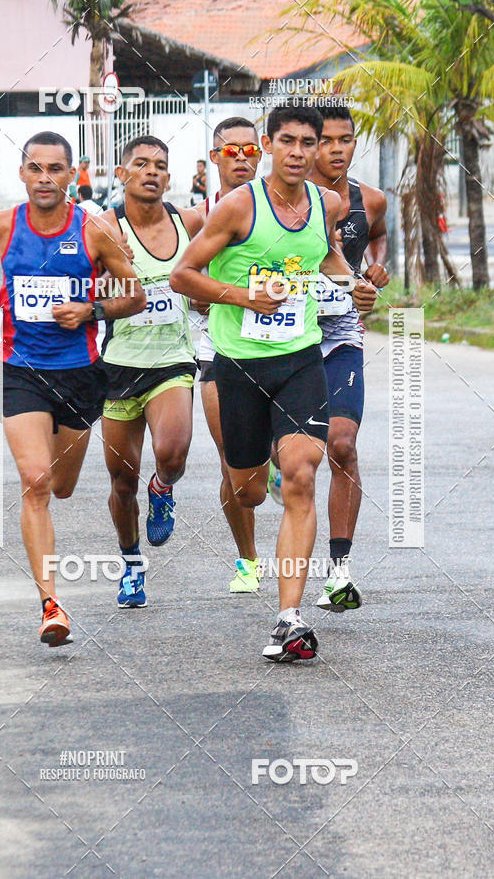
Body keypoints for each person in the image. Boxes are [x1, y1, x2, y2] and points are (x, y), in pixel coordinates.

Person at [171, 105, 377, 662]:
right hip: (238, 365)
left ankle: (290, 618)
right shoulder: (239, 207)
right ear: (268, 145)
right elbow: (182, 274)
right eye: (286, 140)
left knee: (302, 476)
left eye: (307, 143)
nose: (297, 151)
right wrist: (244, 297)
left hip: (299, 358)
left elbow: (327, 255)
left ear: (314, 152)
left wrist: (355, 286)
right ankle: (255, 476)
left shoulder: (326, 203)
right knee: (249, 490)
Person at [0, 131, 145, 647]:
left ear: (73, 175)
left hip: (80, 374)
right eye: (34, 168)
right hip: (21, 368)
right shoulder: (2, 226)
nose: (44, 179)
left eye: (55, 169)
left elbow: (133, 292)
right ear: (21, 173)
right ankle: (51, 603)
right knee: (35, 480)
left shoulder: (93, 231)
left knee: (62, 485)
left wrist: (92, 309)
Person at [271, 105, 389, 614]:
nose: (336, 150)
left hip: (341, 334)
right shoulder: (280, 199)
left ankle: (338, 570)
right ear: (308, 144)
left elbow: (376, 241)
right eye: (327, 141)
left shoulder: (372, 200)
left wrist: (375, 271)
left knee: (341, 443)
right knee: (290, 463)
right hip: (287, 337)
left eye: (346, 139)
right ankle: (278, 466)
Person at [99, 135, 203, 608]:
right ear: (122, 174)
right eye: (140, 164)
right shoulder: (100, 228)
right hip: (119, 366)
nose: (152, 171)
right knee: (122, 482)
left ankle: (162, 489)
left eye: (160, 165)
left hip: (172, 362)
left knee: (173, 453)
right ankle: (132, 565)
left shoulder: (190, 222)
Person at [192, 116, 263, 593]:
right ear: (213, 159)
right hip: (214, 348)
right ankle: (248, 560)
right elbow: (180, 277)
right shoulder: (197, 217)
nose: (241, 158)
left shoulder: (289, 211)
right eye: (229, 151)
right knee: (230, 458)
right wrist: (221, 294)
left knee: (288, 453)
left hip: (279, 347)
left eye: (250, 150)